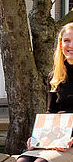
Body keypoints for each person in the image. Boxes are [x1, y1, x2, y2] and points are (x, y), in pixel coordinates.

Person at [16, 22, 73, 162]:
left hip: (70, 142)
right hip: (55, 139)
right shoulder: (54, 76)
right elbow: (50, 113)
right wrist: (37, 137)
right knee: (21, 161)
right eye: (67, 40)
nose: (70, 45)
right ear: (61, 44)